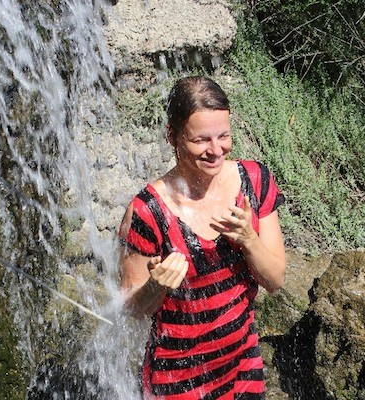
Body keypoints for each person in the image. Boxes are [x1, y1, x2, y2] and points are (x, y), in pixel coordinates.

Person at [119, 76, 286, 399]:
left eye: (223, 136)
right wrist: (157, 285)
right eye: (201, 140)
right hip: (177, 380)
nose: (215, 150)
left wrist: (249, 239)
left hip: (243, 369)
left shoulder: (254, 181)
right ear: (173, 136)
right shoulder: (147, 212)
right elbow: (130, 309)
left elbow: (276, 279)